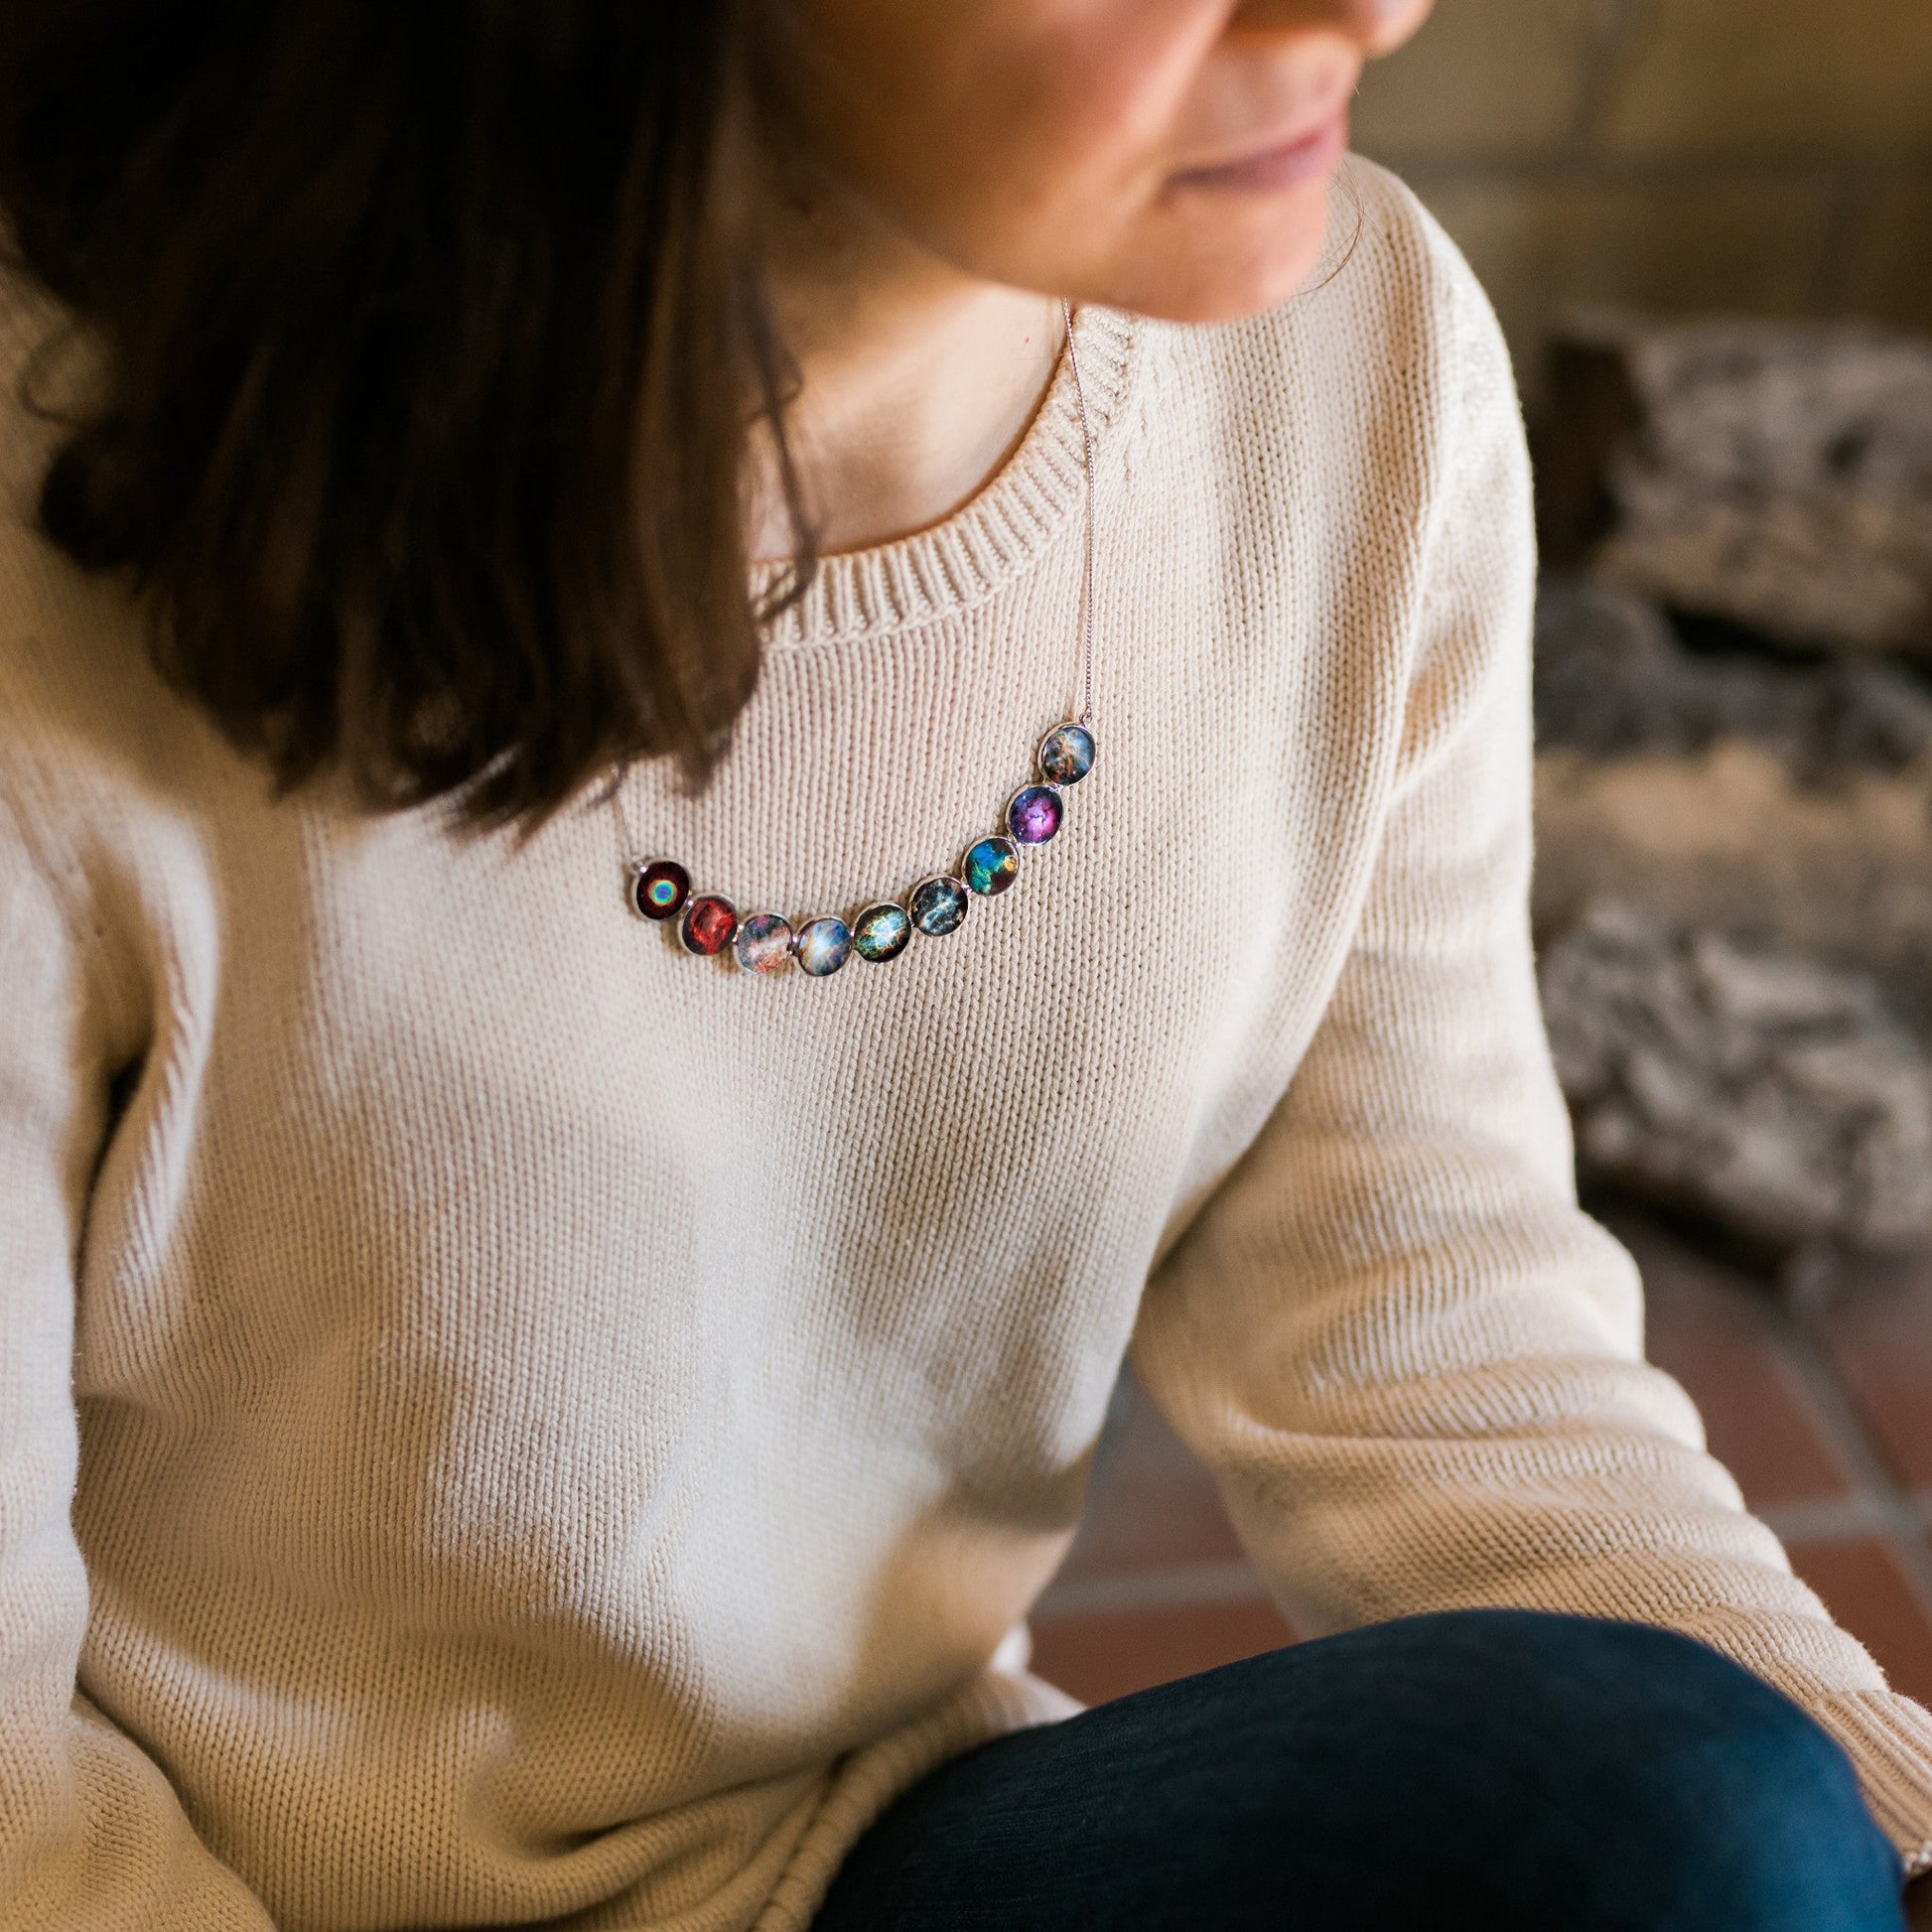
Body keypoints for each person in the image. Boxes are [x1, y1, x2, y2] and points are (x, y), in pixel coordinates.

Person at [0, 1, 1927, 1926]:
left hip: (857, 1861)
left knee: (1693, 1827)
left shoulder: (1353, 359)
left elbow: (1425, 1312)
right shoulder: (49, 563)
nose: (1363, 9)